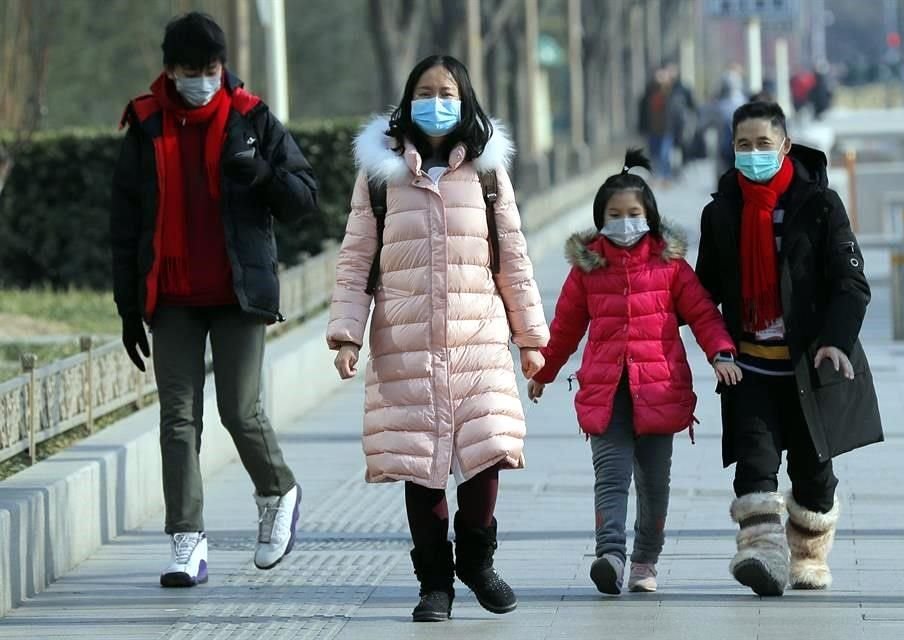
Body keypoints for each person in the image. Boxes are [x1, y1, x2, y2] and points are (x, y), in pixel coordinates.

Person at [326, 54, 549, 622]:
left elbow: (514, 259)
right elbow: (356, 261)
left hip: (478, 339)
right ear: (407, 99)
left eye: (446, 91)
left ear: (465, 97)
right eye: (425, 91)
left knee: (487, 454)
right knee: (420, 465)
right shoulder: (381, 175)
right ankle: (435, 585)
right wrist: (347, 334)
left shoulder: (488, 171)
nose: (436, 101)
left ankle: (477, 561)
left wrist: (530, 339)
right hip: (407, 343)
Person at [111, 12, 318, 587]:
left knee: (239, 409)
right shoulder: (146, 126)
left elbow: (305, 195)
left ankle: (279, 490)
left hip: (237, 292)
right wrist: (129, 307)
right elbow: (124, 226)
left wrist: (261, 175)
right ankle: (186, 540)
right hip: (172, 297)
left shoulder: (251, 119)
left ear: (222, 67)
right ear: (169, 69)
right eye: (189, 70)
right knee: (178, 420)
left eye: (210, 69)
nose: (201, 79)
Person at [527, 149, 739, 595]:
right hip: (607, 395)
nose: (625, 222)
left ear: (650, 216)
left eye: (633, 213)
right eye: (615, 214)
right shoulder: (587, 269)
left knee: (654, 486)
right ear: (600, 219)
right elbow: (564, 327)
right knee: (611, 477)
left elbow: (703, 314)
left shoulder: (670, 265)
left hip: (660, 391)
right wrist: (543, 372)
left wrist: (721, 353)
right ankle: (610, 556)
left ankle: (645, 559)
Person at [695, 101, 883, 597]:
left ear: (784, 145)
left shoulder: (819, 206)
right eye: (742, 145)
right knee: (754, 465)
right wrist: (716, 346)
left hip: (809, 367)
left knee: (813, 475)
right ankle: (761, 554)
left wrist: (837, 342)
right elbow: (701, 293)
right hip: (751, 368)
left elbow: (851, 283)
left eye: (762, 144)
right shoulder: (720, 214)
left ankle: (807, 556)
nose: (753, 153)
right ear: (731, 149)